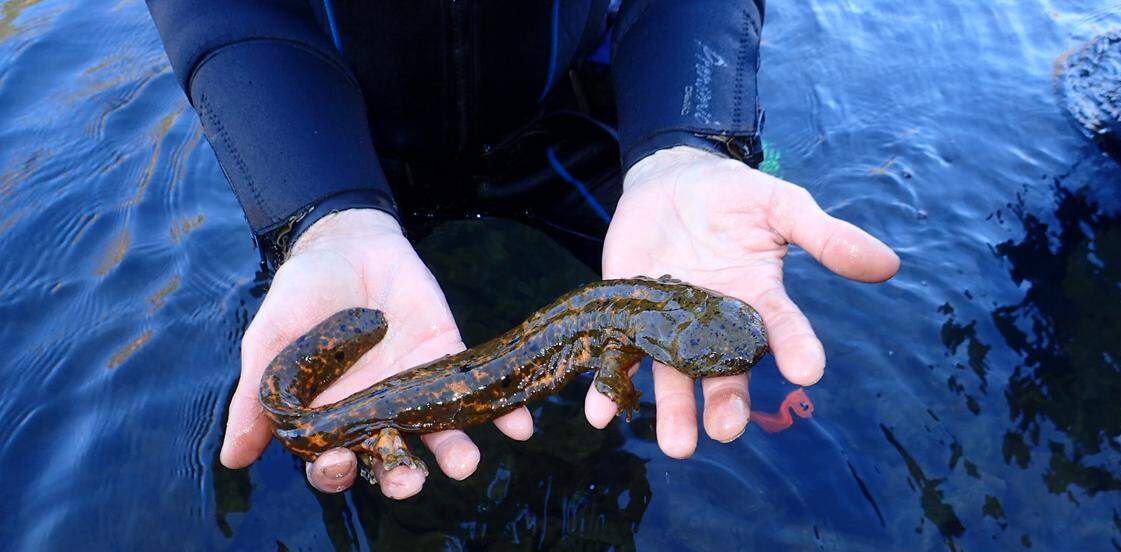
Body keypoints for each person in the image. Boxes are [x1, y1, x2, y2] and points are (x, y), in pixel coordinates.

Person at [146, 0, 900, 499]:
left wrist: (688, 138)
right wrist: (317, 215)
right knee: (384, 433)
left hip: (568, 109)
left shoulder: (631, 317)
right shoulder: (630, 324)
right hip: (336, 136)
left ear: (684, 297)